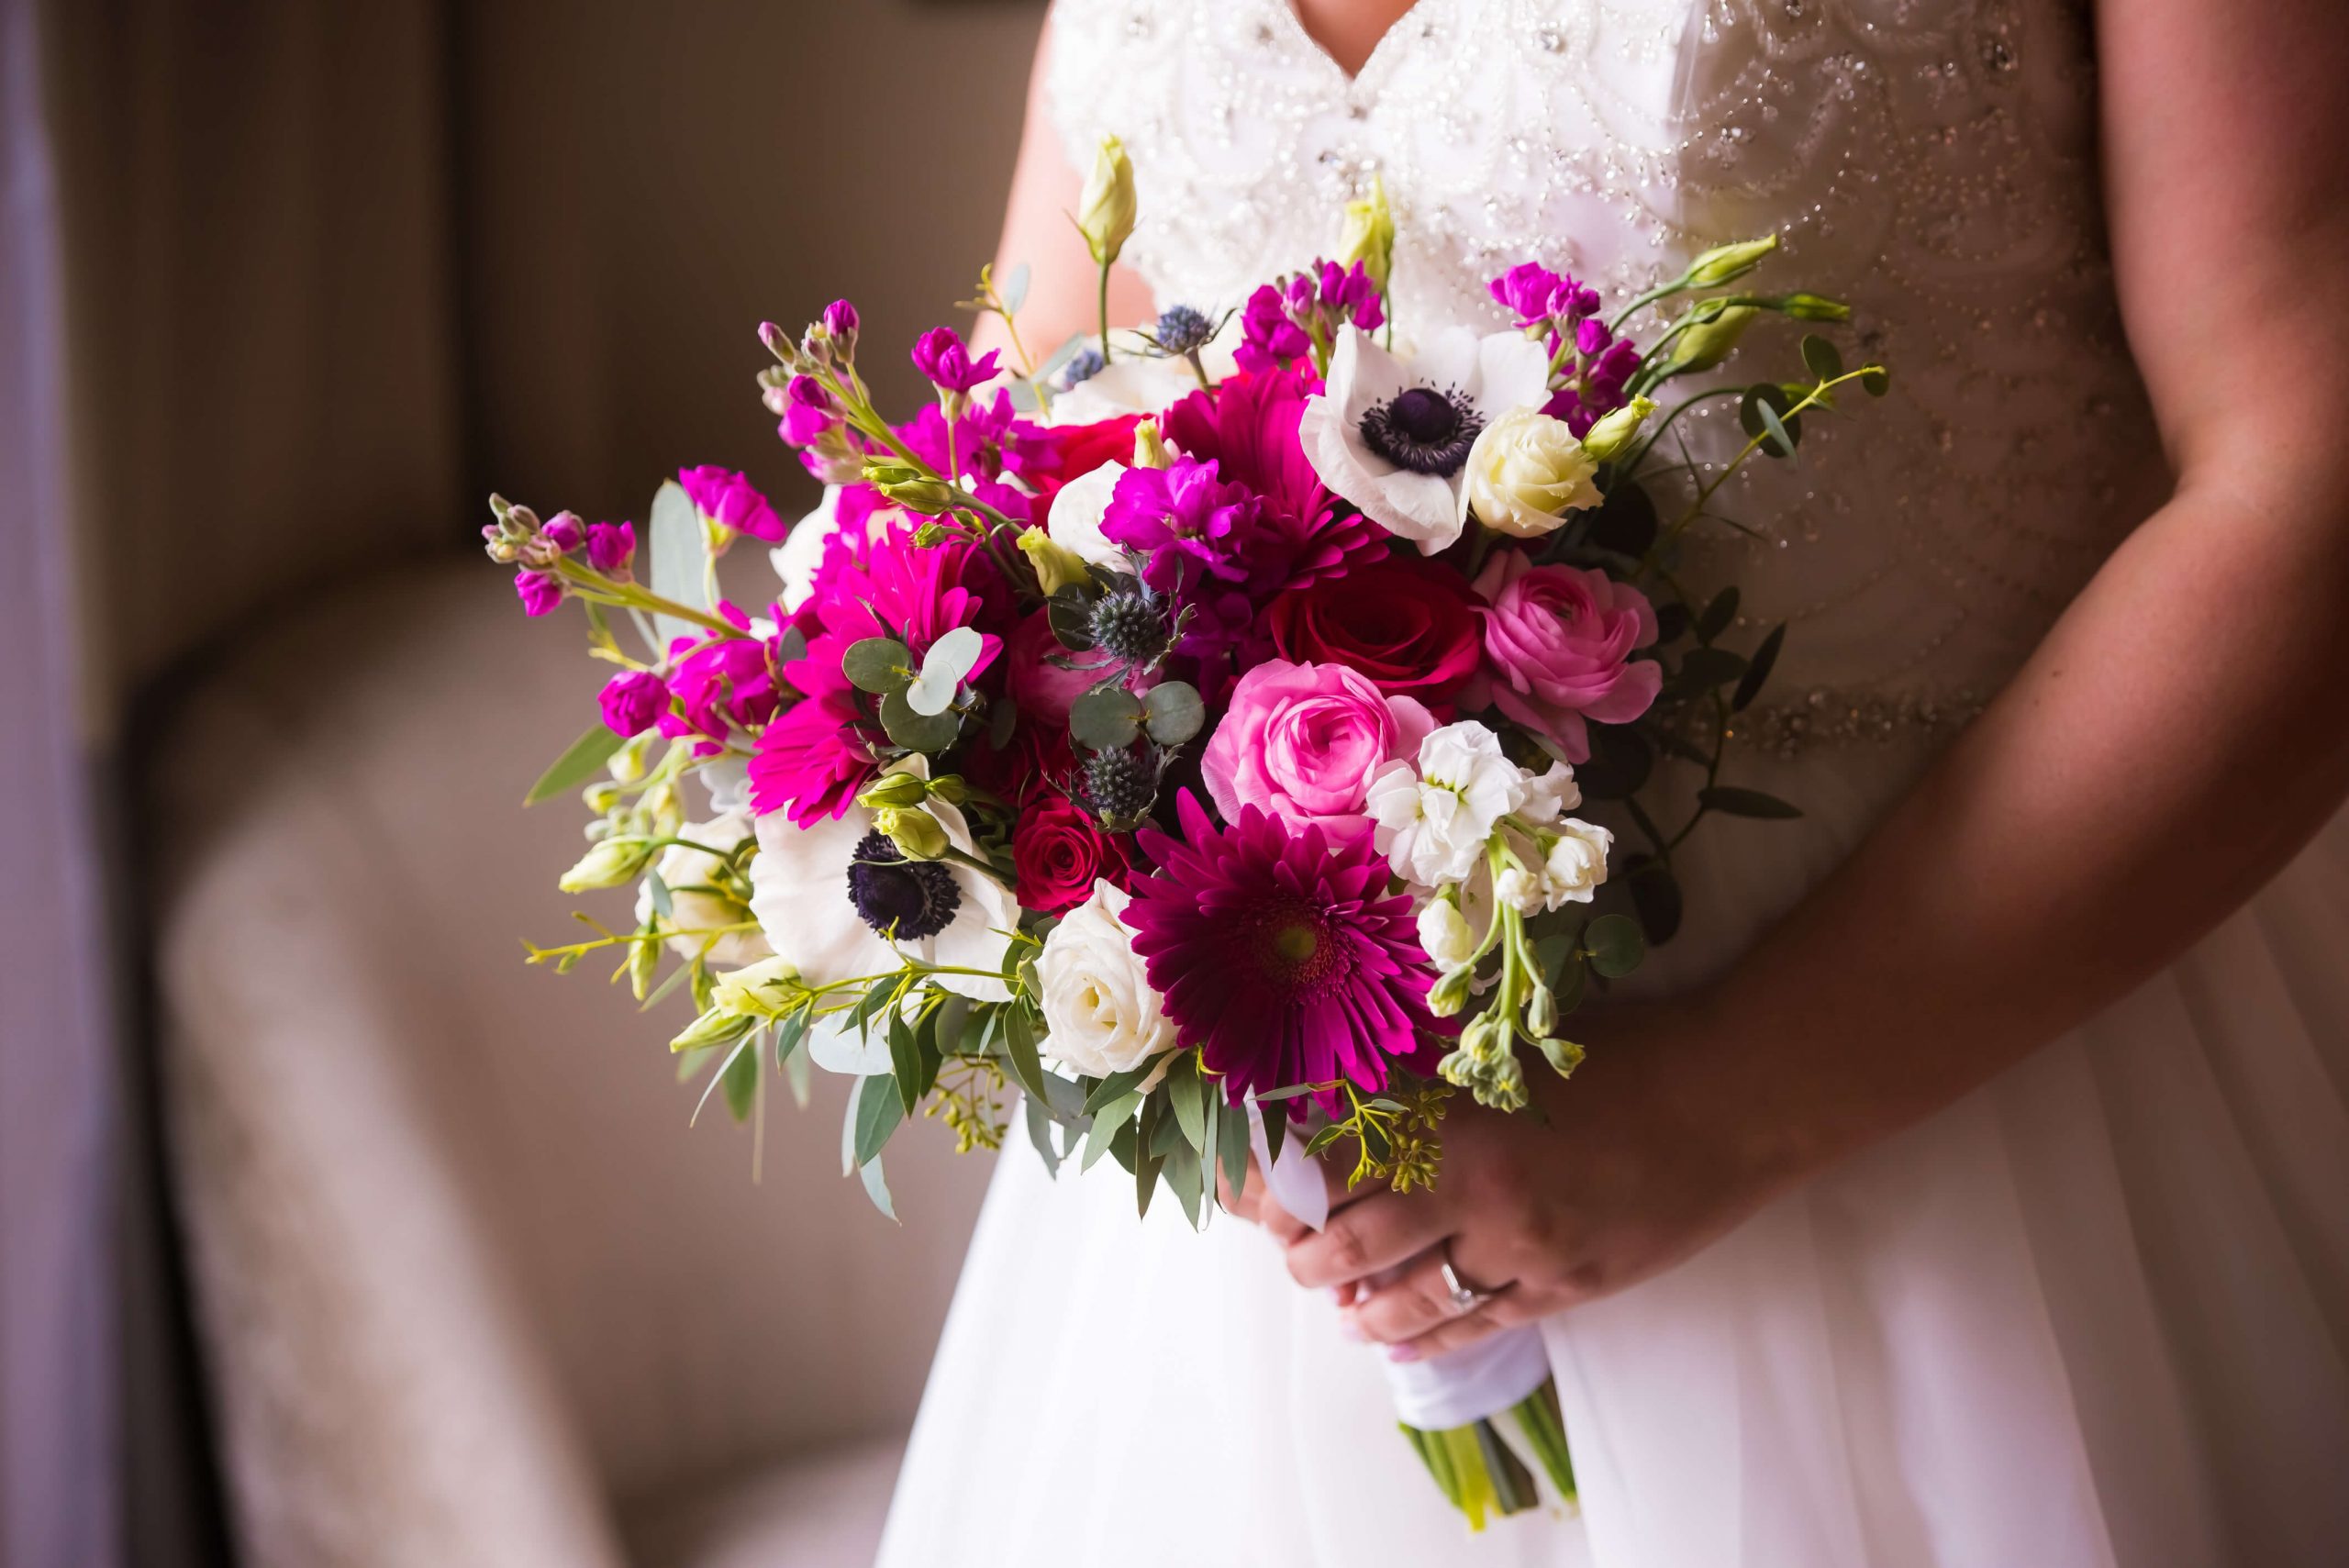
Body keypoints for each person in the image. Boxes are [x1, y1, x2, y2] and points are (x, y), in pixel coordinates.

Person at [879, 2, 2349, 1562]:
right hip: (1301, 1190)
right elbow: (1022, 441)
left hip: (1980, 1103)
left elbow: (2306, 474)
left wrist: (1729, 1105)